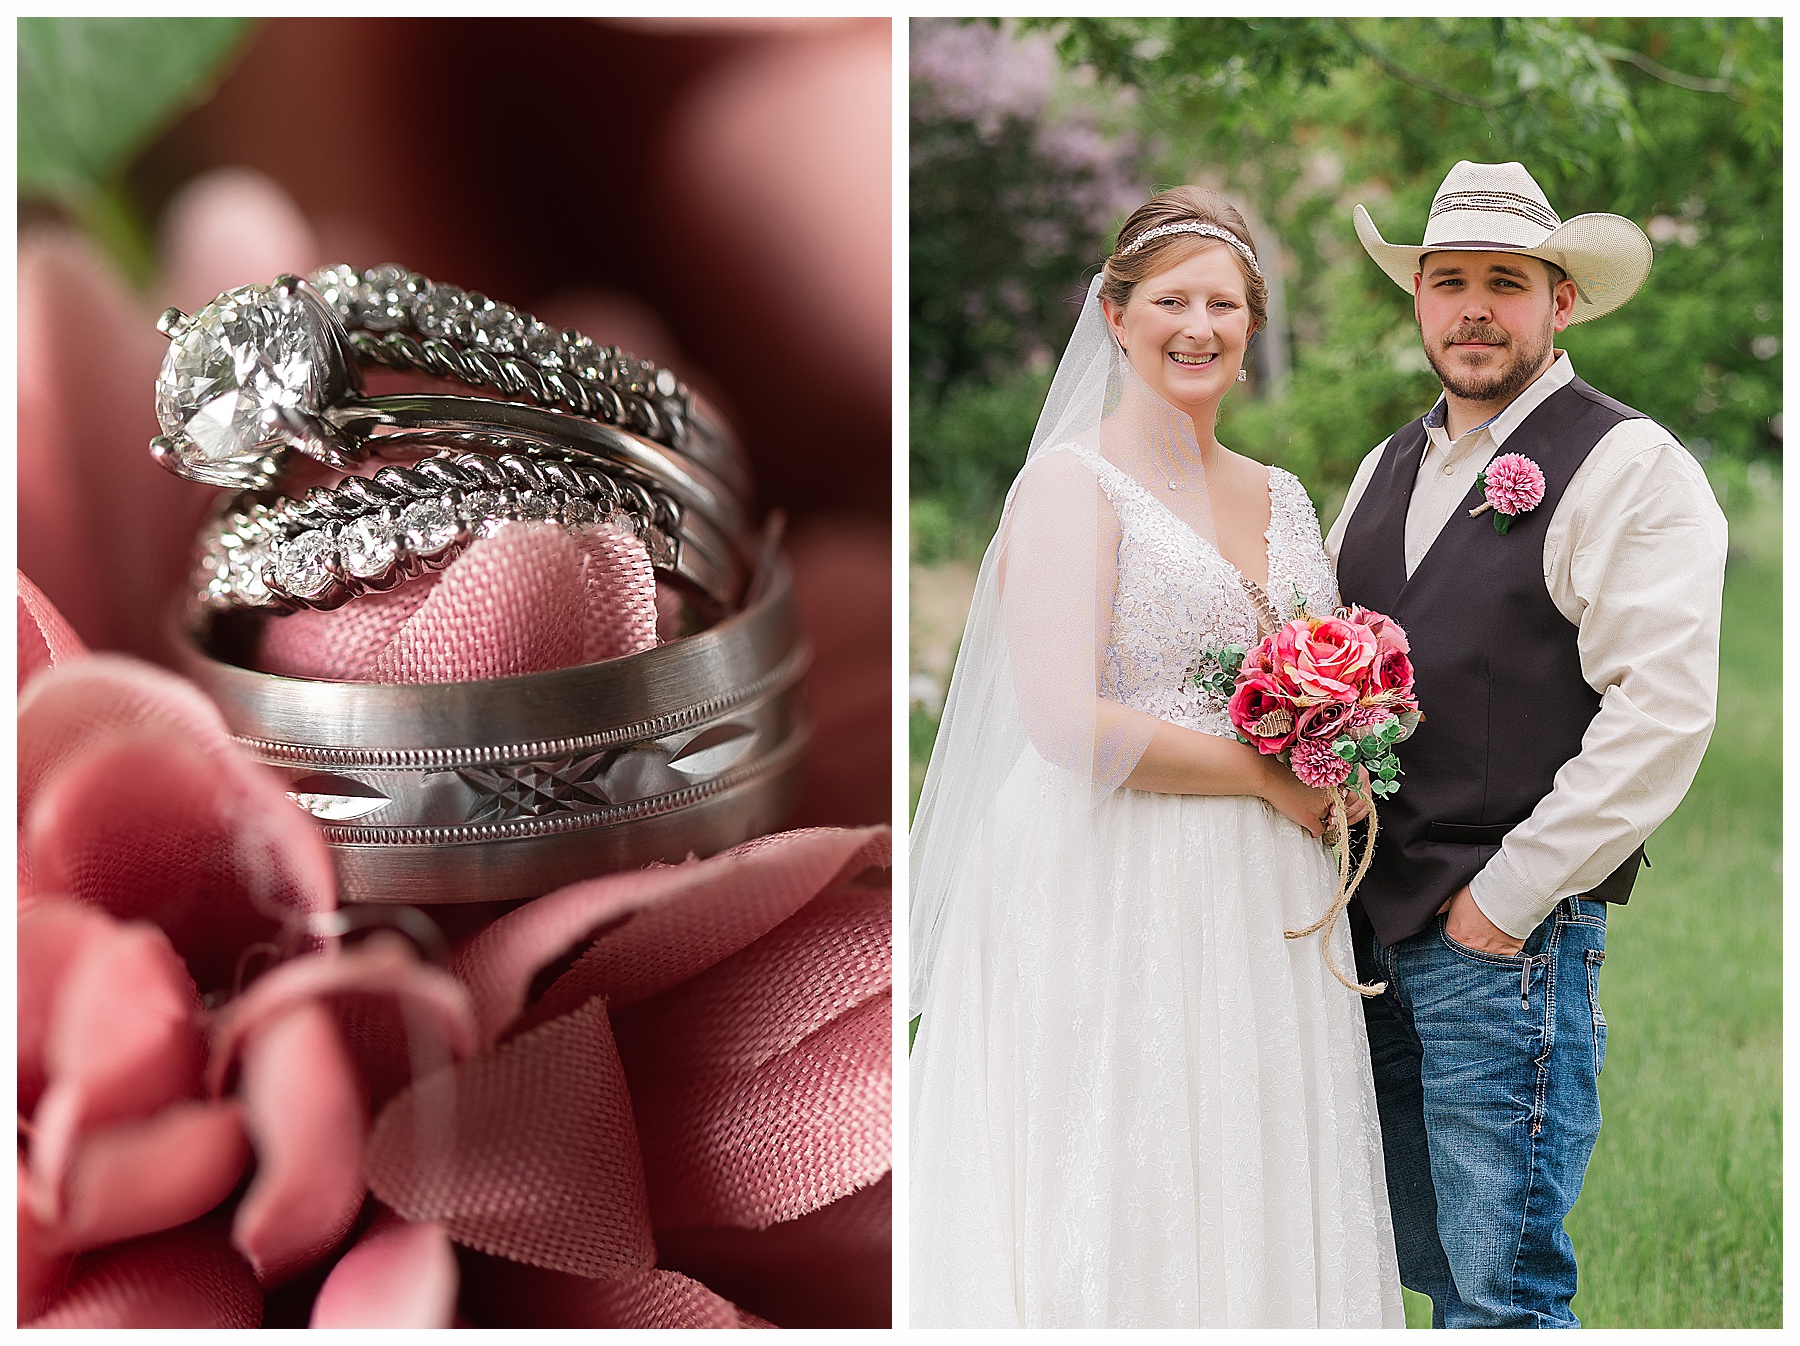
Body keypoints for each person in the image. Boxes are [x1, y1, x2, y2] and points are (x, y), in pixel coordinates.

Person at [909, 185, 1404, 1328]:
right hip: (1108, 873)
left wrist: (1344, 743)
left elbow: (1303, 675)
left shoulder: (1281, 494)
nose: (1199, 326)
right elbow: (1065, 719)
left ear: (1251, 326)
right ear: (1115, 316)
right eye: (1171, 299)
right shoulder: (1072, 485)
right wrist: (1270, 779)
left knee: (1253, 1147)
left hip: (1260, 891)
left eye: (1223, 304)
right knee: (1122, 1146)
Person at [1327, 160, 1728, 1328]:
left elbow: (1660, 713)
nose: (1474, 307)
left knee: (1504, 1292)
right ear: (1417, 301)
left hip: (1503, 944)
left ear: (1561, 302)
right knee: (1426, 1269)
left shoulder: (1629, 465)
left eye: (1507, 281)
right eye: (1448, 280)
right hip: (1364, 935)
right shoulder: (1386, 465)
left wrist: (1505, 899)